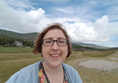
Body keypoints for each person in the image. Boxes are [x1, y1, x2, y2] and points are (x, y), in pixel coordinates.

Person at [6, 23, 82, 83]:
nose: (55, 48)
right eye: (48, 41)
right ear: (41, 47)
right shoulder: (22, 78)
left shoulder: (73, 74)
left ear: (67, 47)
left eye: (61, 41)